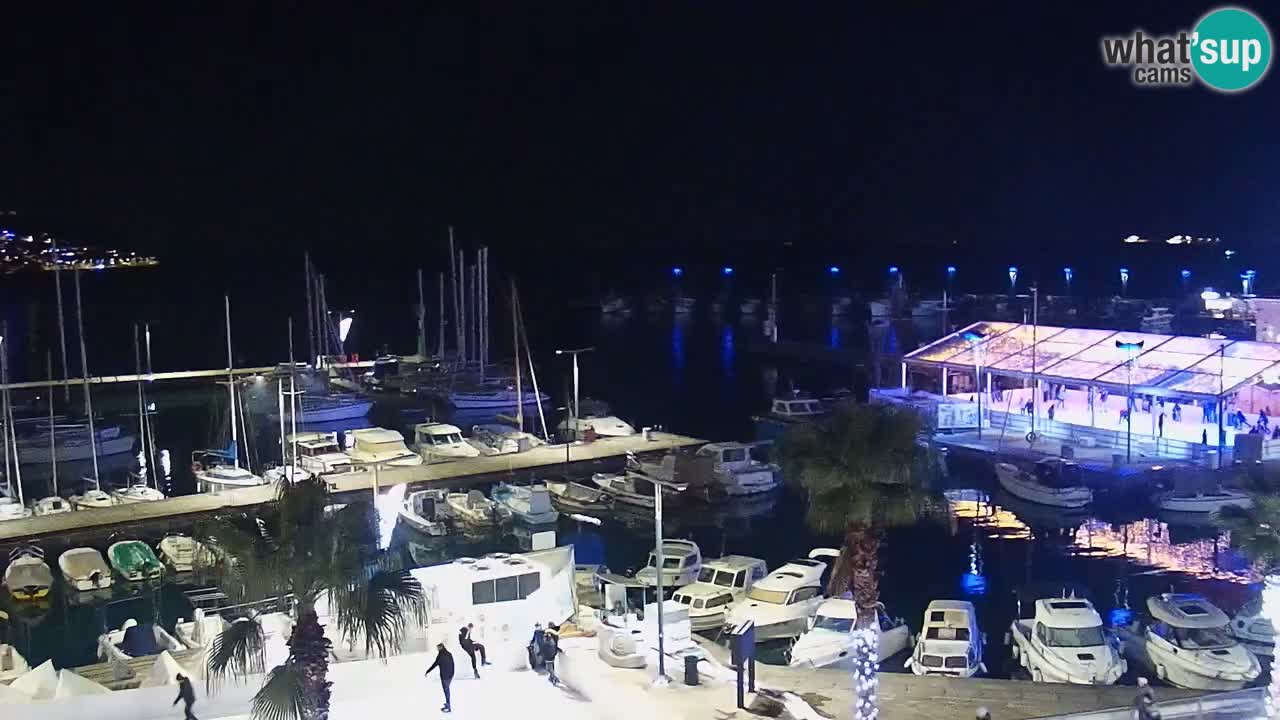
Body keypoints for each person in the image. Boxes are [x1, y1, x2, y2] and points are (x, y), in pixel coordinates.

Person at [425, 642, 456, 713]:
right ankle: (447, 703)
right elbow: (453, 664)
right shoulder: (449, 654)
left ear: (441, 647)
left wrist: (428, 671)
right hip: (450, 675)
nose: (437, 649)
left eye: (438, 648)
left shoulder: (440, 656)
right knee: (447, 690)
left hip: (444, 676)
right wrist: (452, 673)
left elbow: (435, 664)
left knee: (446, 691)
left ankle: (448, 706)